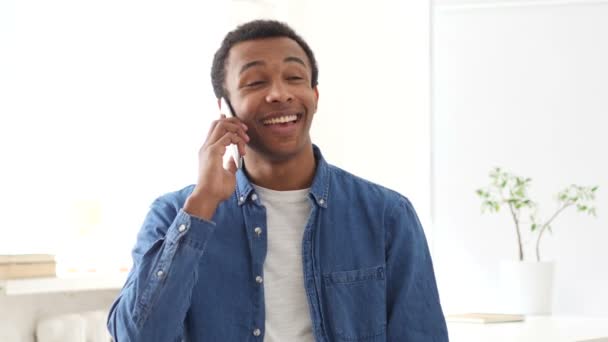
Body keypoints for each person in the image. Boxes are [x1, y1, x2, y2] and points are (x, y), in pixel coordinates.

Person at [107, 19, 448, 342]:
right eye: (255, 82)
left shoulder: (386, 215)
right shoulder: (174, 214)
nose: (280, 93)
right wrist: (202, 205)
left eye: (294, 77)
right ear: (225, 108)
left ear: (315, 95)